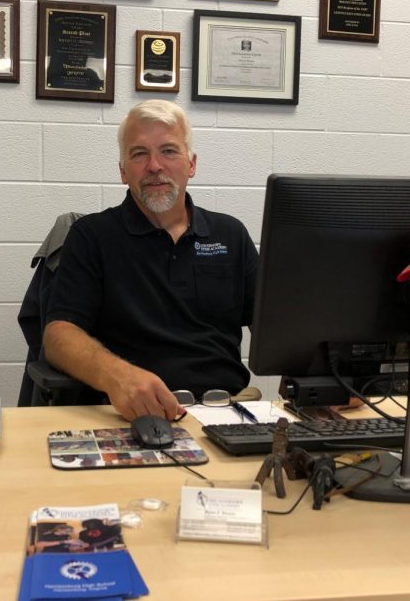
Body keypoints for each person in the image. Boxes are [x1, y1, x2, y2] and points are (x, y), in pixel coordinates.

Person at [43, 100, 258, 421]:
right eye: (139, 153)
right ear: (122, 171)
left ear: (192, 164)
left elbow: (275, 328)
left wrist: (317, 376)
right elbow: (58, 336)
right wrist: (118, 376)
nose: (155, 165)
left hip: (225, 410)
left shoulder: (230, 233)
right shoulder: (91, 236)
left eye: (169, 151)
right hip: (126, 415)